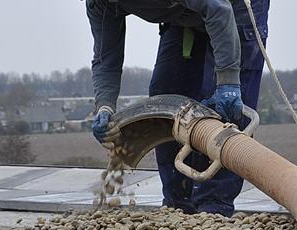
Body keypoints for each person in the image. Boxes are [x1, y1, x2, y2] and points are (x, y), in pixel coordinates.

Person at [87, 0, 270, 216]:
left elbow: (218, 9)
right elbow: (105, 58)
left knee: (222, 115)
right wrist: (104, 106)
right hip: (184, 14)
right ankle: (178, 205)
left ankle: (214, 211)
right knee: (166, 94)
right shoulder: (100, 3)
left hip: (233, 6)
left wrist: (228, 81)